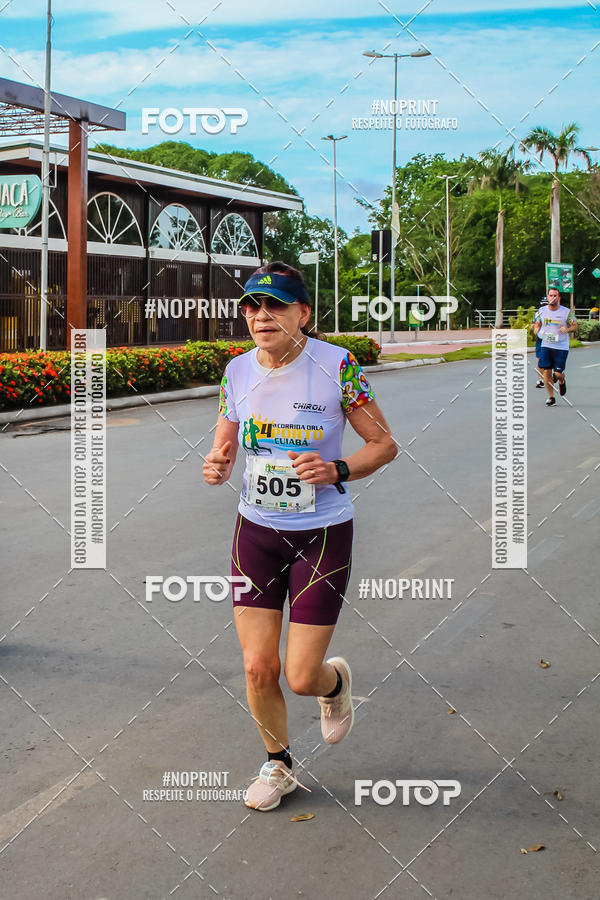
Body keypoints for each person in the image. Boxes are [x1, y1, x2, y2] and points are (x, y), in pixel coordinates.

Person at [203, 261, 396, 812]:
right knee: (258, 666)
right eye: (250, 306)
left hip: (322, 535)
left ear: (303, 313)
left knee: (301, 674)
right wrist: (217, 464)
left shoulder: (337, 365)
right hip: (256, 532)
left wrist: (336, 469)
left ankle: (334, 687)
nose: (259, 316)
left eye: (274, 306)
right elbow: (225, 444)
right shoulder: (237, 371)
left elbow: (383, 445)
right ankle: (279, 764)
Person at [533, 287, 577, 406]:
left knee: (557, 374)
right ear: (547, 297)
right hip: (546, 345)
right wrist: (536, 330)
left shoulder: (566, 312)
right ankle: (551, 397)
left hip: (561, 347)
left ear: (559, 298)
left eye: (555, 295)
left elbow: (575, 326)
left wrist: (567, 329)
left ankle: (561, 380)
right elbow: (536, 324)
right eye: (551, 295)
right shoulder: (541, 311)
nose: (553, 298)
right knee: (547, 372)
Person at [532, 297, 548, 388]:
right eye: (543, 305)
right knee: (540, 359)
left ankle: (553, 374)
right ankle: (541, 380)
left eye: (546, 305)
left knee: (550, 358)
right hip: (540, 339)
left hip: (550, 339)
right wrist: (535, 327)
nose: (544, 307)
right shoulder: (537, 314)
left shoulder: (554, 314)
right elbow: (533, 324)